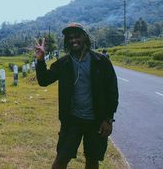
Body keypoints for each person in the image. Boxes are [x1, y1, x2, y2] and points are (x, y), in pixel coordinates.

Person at [34, 23, 118, 169]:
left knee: (92, 160)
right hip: (71, 121)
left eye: (77, 36)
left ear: (85, 37)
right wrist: (40, 60)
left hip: (96, 121)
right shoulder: (64, 63)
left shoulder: (101, 62)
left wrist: (108, 119)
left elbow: (112, 92)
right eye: (70, 37)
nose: (73, 40)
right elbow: (44, 80)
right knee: (61, 159)